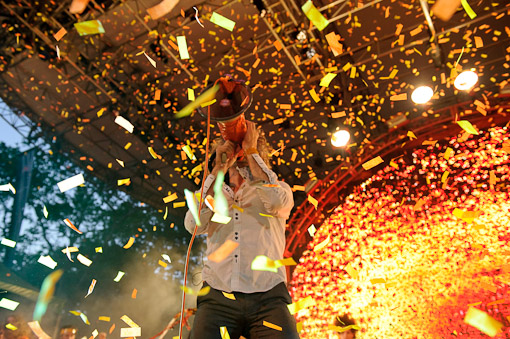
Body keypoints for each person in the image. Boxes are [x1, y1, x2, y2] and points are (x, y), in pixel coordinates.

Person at [184, 121, 299, 338]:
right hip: (218, 297)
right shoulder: (214, 194)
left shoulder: (277, 188)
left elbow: (276, 203)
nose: (238, 151)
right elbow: (193, 224)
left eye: (243, 146)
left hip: (269, 297)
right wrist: (217, 171)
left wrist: (251, 150)